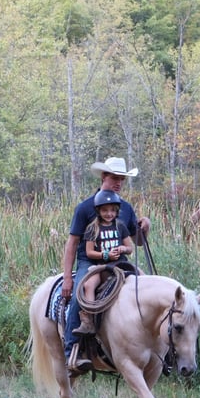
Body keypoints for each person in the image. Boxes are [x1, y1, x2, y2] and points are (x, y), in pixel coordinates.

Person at [62, 157, 151, 374]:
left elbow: (137, 242)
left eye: (122, 179)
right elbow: (72, 243)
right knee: (79, 294)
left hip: (119, 261)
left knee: (145, 287)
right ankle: (72, 352)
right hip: (90, 261)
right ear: (104, 176)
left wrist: (145, 227)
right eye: (115, 178)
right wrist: (67, 277)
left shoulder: (125, 208)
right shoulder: (85, 208)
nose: (119, 183)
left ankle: (150, 343)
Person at [72, 189, 134, 336]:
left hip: (120, 264)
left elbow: (130, 248)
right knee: (89, 285)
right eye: (105, 210)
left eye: (112, 210)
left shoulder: (120, 226)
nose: (109, 214)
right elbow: (89, 252)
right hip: (101, 265)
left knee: (142, 277)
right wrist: (106, 255)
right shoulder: (92, 228)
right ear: (98, 211)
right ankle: (88, 320)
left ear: (117, 211)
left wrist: (123, 248)